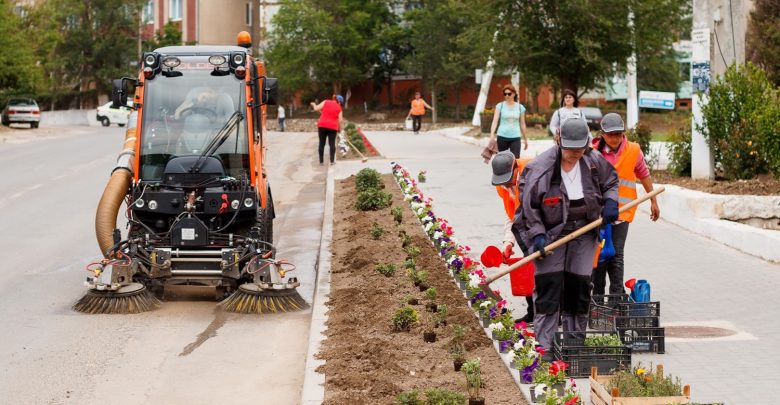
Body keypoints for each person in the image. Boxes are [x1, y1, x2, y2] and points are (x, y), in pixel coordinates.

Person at [514, 118, 619, 353]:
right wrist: (538, 236)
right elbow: (529, 209)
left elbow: (611, 181)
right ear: (559, 141)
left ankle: (574, 345)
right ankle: (545, 347)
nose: (575, 153)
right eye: (570, 148)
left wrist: (611, 201)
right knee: (549, 288)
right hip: (551, 235)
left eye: (580, 148)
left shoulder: (592, 161)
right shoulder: (540, 169)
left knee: (579, 286)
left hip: (584, 231)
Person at [591, 113, 660, 297]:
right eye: (610, 134)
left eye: (618, 134)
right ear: (602, 134)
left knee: (616, 255)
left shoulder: (633, 150)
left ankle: (615, 298)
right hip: (598, 214)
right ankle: (597, 298)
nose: (614, 138)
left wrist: (653, 200)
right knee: (598, 256)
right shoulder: (592, 152)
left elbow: (643, 174)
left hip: (623, 212)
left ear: (623, 133)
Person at [491, 150, 534, 323]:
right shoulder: (502, 186)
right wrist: (508, 242)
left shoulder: (533, 172)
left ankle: (554, 314)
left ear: (516, 167)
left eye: (509, 179)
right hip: (524, 227)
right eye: (503, 181)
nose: (507, 184)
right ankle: (533, 312)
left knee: (547, 273)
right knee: (529, 269)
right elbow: (511, 215)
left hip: (545, 226)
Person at [489, 84, 529, 158]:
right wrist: (492, 134)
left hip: (515, 137)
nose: (507, 95)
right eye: (505, 94)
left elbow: (522, 124)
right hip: (502, 136)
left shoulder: (520, 107)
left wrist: (525, 139)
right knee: (502, 160)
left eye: (509, 94)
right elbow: (495, 121)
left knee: (515, 159)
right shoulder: (500, 106)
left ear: (514, 94)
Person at [311, 95, 344, 165]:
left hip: (322, 125)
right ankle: (332, 161)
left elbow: (316, 109)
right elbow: (340, 120)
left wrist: (314, 104)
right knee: (332, 144)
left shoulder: (326, 102)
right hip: (332, 127)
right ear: (340, 102)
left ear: (334, 99)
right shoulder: (339, 108)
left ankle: (321, 162)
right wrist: (339, 129)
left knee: (321, 143)